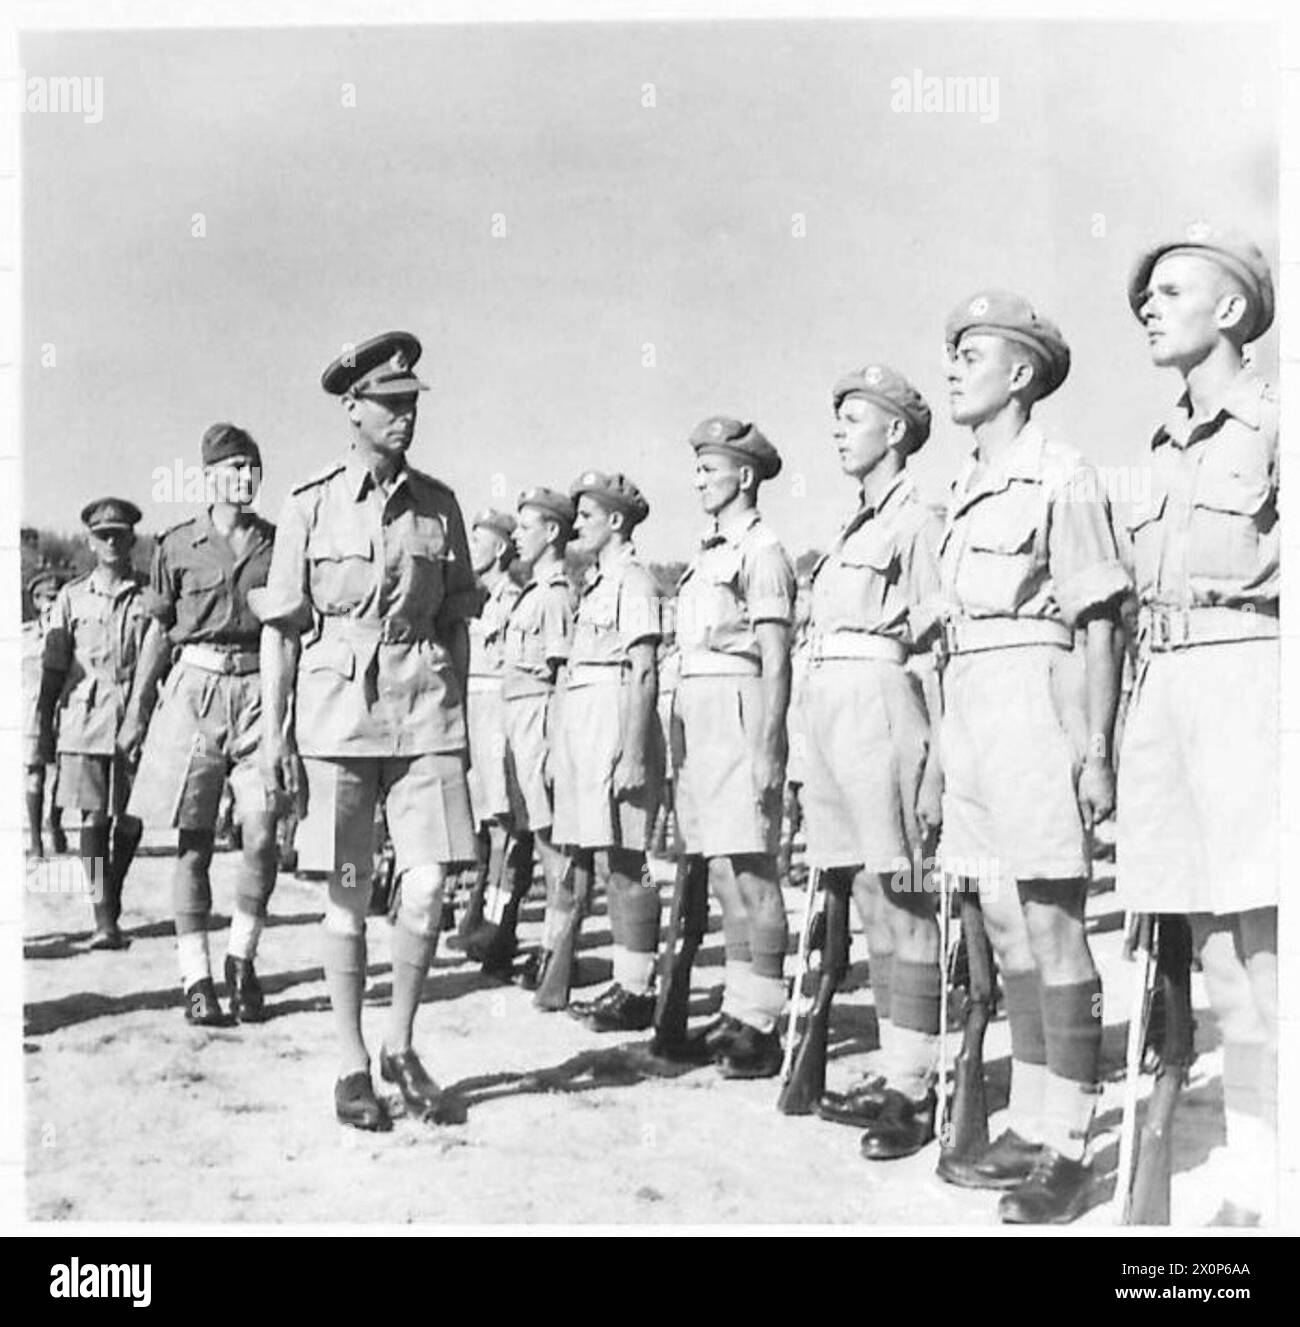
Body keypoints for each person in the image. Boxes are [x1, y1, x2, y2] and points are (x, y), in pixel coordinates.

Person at [933, 291, 1129, 1223]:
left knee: (1053, 921)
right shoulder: (965, 483)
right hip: (969, 703)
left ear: (1020, 373)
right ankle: (1030, 1114)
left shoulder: (1066, 474)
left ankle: (1072, 1142)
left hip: (1035, 698)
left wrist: (1096, 752)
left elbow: (1100, 621)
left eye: (971, 354)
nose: (953, 368)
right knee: (1005, 922)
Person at [254, 330, 480, 1131]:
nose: (404, 417)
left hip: (424, 714)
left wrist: (462, 727)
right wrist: (276, 732)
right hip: (337, 718)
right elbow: (281, 629)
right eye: (389, 404)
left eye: (412, 403)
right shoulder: (307, 504)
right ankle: (351, 1062)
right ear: (351, 409)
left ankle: (400, 1045)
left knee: (424, 885)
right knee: (348, 894)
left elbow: (456, 623)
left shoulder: (440, 505)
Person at [1118, 224, 1278, 1225]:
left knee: (1269, 941)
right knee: (1213, 943)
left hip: (1249, 675)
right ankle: (1258, 1167)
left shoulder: (1276, 419)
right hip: (1166, 683)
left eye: (1169, 291)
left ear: (1227, 310)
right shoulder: (1165, 439)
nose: (1148, 305)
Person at [791, 363, 945, 1159]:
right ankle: (897, 1070)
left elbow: (936, 640)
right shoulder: (852, 526)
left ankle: (917, 1089)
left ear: (895, 431)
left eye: (854, 416)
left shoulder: (920, 518)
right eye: (837, 415)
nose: (839, 429)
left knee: (904, 893)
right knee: (866, 890)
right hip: (832, 706)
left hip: (885, 702)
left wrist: (940, 752)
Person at [120, 424, 279, 1026]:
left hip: (259, 692)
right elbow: (160, 632)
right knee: (194, 843)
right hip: (196, 691)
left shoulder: (277, 543)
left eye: (252, 467)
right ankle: (197, 979)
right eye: (232, 466)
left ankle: (243, 959)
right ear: (208, 475)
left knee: (262, 834)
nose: (243, 478)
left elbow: (290, 626)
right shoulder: (177, 545)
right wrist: (138, 711)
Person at [663, 416, 795, 1078]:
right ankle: (738, 1006)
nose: (698, 482)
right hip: (700, 714)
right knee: (720, 868)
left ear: (744, 476)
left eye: (708, 471)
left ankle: (764, 1022)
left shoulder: (761, 550)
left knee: (753, 868)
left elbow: (776, 655)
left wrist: (770, 746)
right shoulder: (705, 551)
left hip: (742, 709)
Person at [555, 471, 664, 1031]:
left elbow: (644, 672)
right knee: (610, 859)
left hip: (619, 728)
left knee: (629, 861)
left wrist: (636, 753)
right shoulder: (597, 583)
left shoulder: (635, 583)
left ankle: (639, 988)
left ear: (617, 521)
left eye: (588, 516)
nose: (577, 525)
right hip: (590, 728)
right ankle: (629, 981)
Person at [38, 499, 150, 949]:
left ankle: (112, 893)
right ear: (89, 541)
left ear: (131, 540)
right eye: (102, 535)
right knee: (93, 818)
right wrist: (43, 726)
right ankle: (103, 917)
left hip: (137, 716)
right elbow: (53, 668)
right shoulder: (72, 597)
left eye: (118, 534)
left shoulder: (148, 596)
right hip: (83, 718)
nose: (110, 542)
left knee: (132, 818)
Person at [498, 488, 578, 1004]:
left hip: (541, 720)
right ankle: (550, 951)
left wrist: (554, 747)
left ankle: (557, 958)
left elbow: (562, 675)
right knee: (535, 833)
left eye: (526, 527)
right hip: (519, 717)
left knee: (554, 848)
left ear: (552, 533)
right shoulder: (534, 590)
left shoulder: (554, 594)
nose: (516, 537)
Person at [454, 508, 533, 975]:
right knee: (485, 824)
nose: (473, 550)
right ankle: (481, 915)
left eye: (480, 542)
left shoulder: (514, 599)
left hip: (499, 713)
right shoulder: (475, 598)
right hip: (474, 710)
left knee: (508, 824)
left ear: (501, 549)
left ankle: (502, 925)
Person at [24, 567, 70, 858]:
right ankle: (36, 840)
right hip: (32, 712)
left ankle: (55, 821)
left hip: (65, 710)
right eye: (45, 598)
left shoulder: (72, 633)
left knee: (64, 774)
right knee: (34, 773)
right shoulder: (22, 634)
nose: (51, 603)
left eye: (56, 597)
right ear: (36, 601)